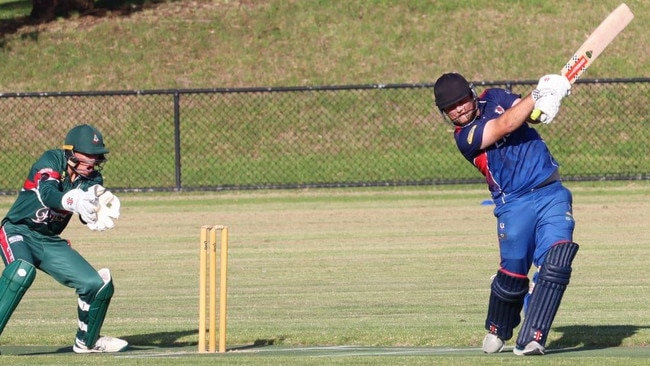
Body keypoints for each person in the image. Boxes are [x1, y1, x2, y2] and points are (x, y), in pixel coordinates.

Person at [433, 73, 579, 356]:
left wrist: (548, 101)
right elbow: (507, 123)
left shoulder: (495, 96)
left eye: (462, 100)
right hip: (514, 204)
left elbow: (529, 116)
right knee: (513, 276)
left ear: (472, 94)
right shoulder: (465, 137)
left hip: (551, 190)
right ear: (444, 113)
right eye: (452, 107)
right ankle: (498, 325)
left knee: (556, 262)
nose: (459, 109)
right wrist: (539, 92)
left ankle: (532, 338)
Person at [0, 124, 126, 353]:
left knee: (95, 284)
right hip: (18, 230)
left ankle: (87, 341)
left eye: (97, 156)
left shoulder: (92, 177)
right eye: (88, 155)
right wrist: (74, 200)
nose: (94, 160)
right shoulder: (51, 159)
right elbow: (48, 194)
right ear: (71, 153)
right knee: (21, 272)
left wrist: (94, 214)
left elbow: (87, 210)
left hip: (47, 239)